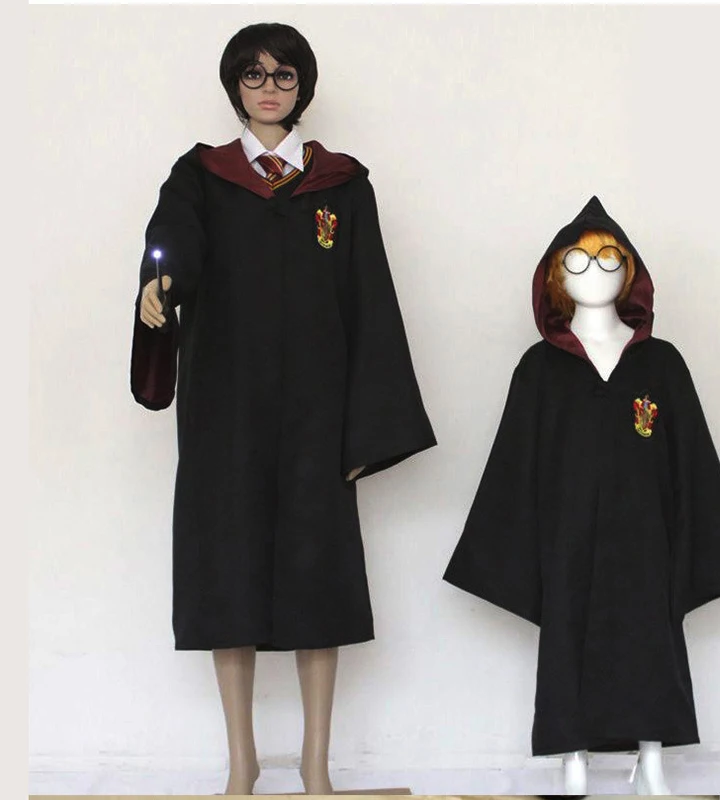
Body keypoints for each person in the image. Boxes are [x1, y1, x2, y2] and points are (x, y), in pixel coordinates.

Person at [130, 22, 436, 795]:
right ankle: (240, 769)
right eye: (254, 74)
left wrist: (368, 431)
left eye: (285, 75)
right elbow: (173, 241)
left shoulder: (342, 185)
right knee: (224, 579)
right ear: (234, 85)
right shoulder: (202, 176)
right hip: (225, 413)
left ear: (304, 86)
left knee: (317, 584)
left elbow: (371, 301)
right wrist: (160, 282)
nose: (269, 87)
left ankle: (315, 770)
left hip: (317, 416)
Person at [443, 195, 720, 795]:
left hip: (647, 535)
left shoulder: (661, 364)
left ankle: (652, 761)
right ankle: (574, 764)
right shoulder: (540, 368)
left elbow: (692, 460)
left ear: (630, 272)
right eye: (578, 260)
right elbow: (515, 463)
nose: (594, 271)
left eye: (608, 257)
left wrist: (694, 544)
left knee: (651, 639)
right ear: (555, 279)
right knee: (567, 643)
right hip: (566, 538)